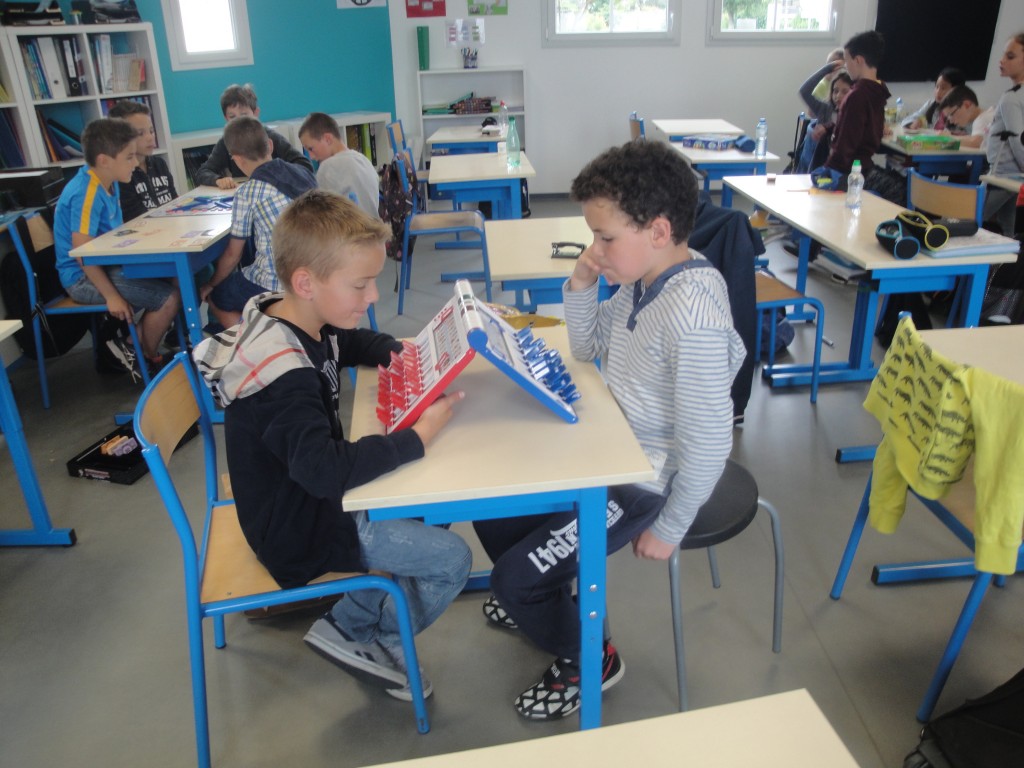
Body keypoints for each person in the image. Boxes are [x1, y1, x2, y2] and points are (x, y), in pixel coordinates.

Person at [473, 140, 746, 721]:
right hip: (609, 446)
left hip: (644, 481)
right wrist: (581, 283)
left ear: (659, 230)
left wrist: (671, 526)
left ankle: (589, 657)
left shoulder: (693, 315)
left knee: (513, 580)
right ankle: (548, 597)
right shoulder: (641, 277)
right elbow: (587, 345)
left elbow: (709, 441)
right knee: (493, 516)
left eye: (604, 238)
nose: (595, 249)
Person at [192, 190, 472, 701]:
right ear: (306, 282)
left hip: (299, 499)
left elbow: (351, 343)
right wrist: (416, 438)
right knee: (452, 558)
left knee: (431, 502)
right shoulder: (284, 377)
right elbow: (324, 470)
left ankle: (355, 615)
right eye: (360, 285)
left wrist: (397, 351)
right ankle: (372, 638)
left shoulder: (296, 317)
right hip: (298, 528)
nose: (373, 296)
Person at [53, 117, 180, 379]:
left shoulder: (109, 181)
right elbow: (82, 254)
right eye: (129, 157)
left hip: (105, 267)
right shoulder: (86, 192)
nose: (135, 163)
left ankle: (129, 348)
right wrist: (111, 296)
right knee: (168, 299)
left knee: (174, 276)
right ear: (104, 160)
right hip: (82, 278)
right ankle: (143, 358)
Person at [199, 115, 317, 329]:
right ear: (270, 145)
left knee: (217, 297)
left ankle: (258, 341)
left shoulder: (248, 192)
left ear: (236, 160)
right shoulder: (302, 173)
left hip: (276, 283)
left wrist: (211, 284)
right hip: (316, 273)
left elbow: (233, 255)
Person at [821, 30, 905, 205]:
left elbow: (846, 144)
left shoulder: (857, 96)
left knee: (900, 189)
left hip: (853, 170)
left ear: (858, 60)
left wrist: (827, 172)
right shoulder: (878, 91)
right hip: (862, 166)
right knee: (904, 187)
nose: (846, 67)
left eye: (847, 61)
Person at [195, 83, 313, 190]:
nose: (239, 121)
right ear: (226, 119)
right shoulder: (226, 142)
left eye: (244, 115)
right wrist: (218, 180)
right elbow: (203, 172)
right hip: (245, 194)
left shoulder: (270, 137)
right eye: (232, 117)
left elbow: (304, 165)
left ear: (255, 113)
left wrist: (278, 176)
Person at [298, 112, 381, 220]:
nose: (311, 156)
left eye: (311, 148)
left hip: (350, 229)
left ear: (328, 139)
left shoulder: (328, 167)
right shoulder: (363, 159)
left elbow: (322, 216)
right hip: (374, 227)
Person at [106, 99, 178, 221]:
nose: (150, 137)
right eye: (140, 133)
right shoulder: (122, 175)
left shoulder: (159, 164)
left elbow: (175, 201)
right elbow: (135, 218)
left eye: (151, 131)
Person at [984, 32, 1024, 234]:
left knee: (970, 219)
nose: (1002, 61)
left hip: (1003, 175)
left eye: (1010, 56)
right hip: (1013, 175)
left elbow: (1018, 140)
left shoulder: (1011, 98)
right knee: (1007, 224)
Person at [902, 68, 967, 131]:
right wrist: (912, 124)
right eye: (937, 87)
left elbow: (969, 134)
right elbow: (906, 120)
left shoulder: (964, 109)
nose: (938, 92)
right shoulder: (930, 104)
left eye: (943, 88)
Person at [940, 85, 995, 150]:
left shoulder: (981, 119)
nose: (951, 121)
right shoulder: (989, 113)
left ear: (967, 105)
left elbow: (976, 142)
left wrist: (949, 138)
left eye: (951, 115)